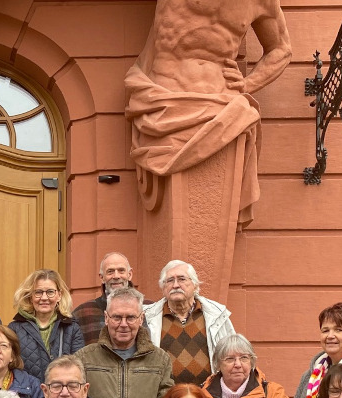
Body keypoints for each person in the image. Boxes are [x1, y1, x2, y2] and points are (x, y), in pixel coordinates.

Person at [123, 0, 291, 227]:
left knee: (208, 211)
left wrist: (248, 84)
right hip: (165, 100)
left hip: (219, 103)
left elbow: (281, 49)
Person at [143, 260, 236, 386]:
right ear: (163, 288)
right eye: (170, 280)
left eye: (182, 279)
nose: (175, 285)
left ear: (195, 285)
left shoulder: (217, 315)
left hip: (208, 397)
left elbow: (234, 354)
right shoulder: (146, 317)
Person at [8, 269, 85, 382]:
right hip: (28, 395)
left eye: (50, 292)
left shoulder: (71, 328)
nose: (44, 298)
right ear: (30, 296)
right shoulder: (15, 329)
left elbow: (79, 367)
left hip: (61, 394)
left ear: (59, 295)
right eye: (38, 292)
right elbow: (10, 368)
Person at [73, 253, 134, 346]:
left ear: (129, 275)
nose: (116, 276)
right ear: (102, 277)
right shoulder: (82, 313)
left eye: (121, 270)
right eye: (110, 271)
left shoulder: (149, 309)